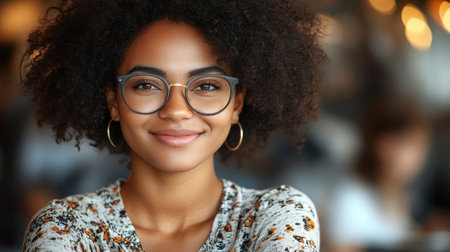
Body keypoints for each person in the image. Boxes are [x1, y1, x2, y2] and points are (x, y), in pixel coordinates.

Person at [21, 0, 326, 251]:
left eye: (206, 86)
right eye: (146, 85)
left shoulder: (278, 215)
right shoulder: (64, 227)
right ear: (114, 102)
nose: (176, 110)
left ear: (237, 104)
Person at [326, 98, 431, 252]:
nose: (404, 155)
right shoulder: (348, 197)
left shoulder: (401, 199)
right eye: (399, 143)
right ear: (374, 144)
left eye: (415, 145)